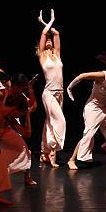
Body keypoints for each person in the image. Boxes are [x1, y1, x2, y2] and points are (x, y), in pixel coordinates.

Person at [36, 9, 66, 168]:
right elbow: (44, 33)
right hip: (48, 94)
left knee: (49, 123)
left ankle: (44, 153)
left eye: (49, 40)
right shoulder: (42, 56)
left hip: (60, 94)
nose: (48, 40)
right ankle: (53, 152)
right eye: (45, 40)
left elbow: (57, 34)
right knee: (60, 121)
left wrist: (49, 25)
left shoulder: (57, 55)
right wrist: (48, 22)